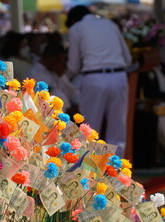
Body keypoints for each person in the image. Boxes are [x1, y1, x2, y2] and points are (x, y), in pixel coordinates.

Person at [66, 6, 132, 157]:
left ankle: (90, 173)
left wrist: (65, 79)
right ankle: (116, 172)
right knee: (117, 130)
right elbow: (127, 58)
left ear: (73, 20)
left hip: (93, 77)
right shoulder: (110, 24)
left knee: (90, 129)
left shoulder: (77, 28)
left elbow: (73, 66)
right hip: (119, 76)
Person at [27, 42, 79, 112]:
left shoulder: (55, 72)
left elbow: (73, 94)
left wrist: (61, 75)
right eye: (59, 60)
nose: (60, 64)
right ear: (51, 58)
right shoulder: (35, 73)